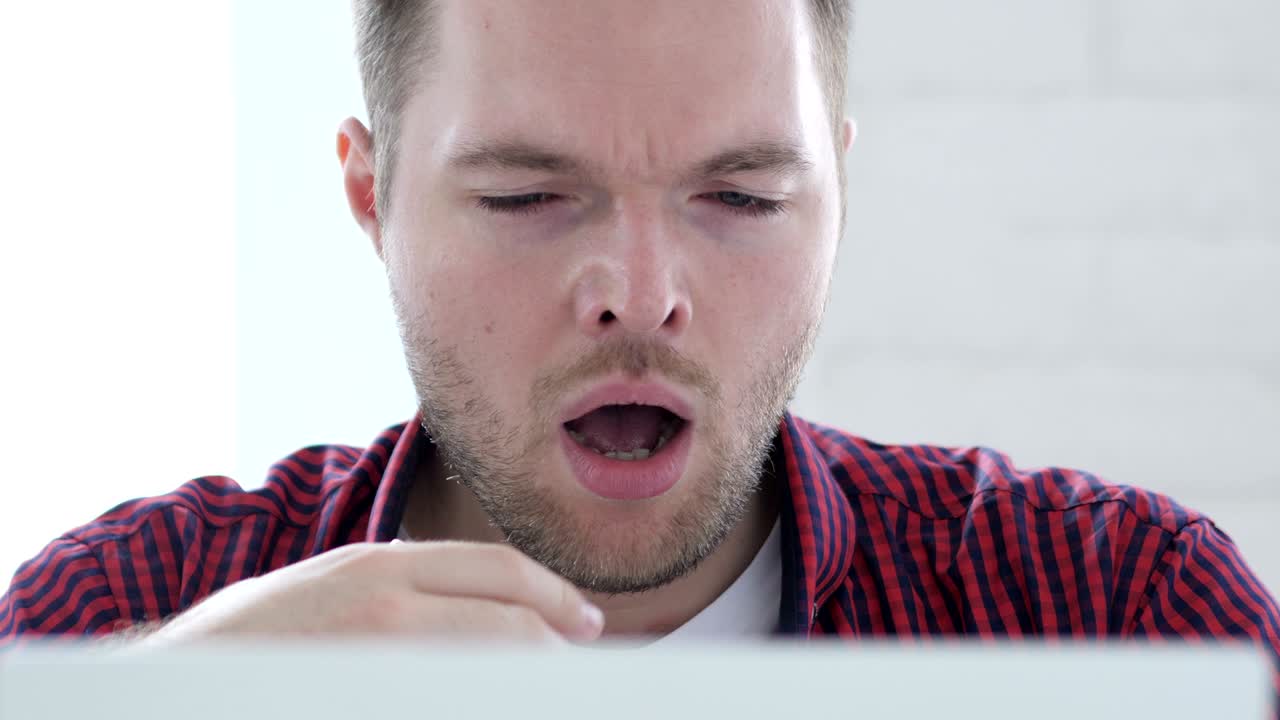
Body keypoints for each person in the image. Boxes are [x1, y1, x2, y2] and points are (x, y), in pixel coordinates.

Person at [3, 0, 1278, 693]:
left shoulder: (1124, 615)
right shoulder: (115, 625)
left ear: (835, 193)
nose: (641, 296)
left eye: (740, 200)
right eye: (524, 199)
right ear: (370, 198)